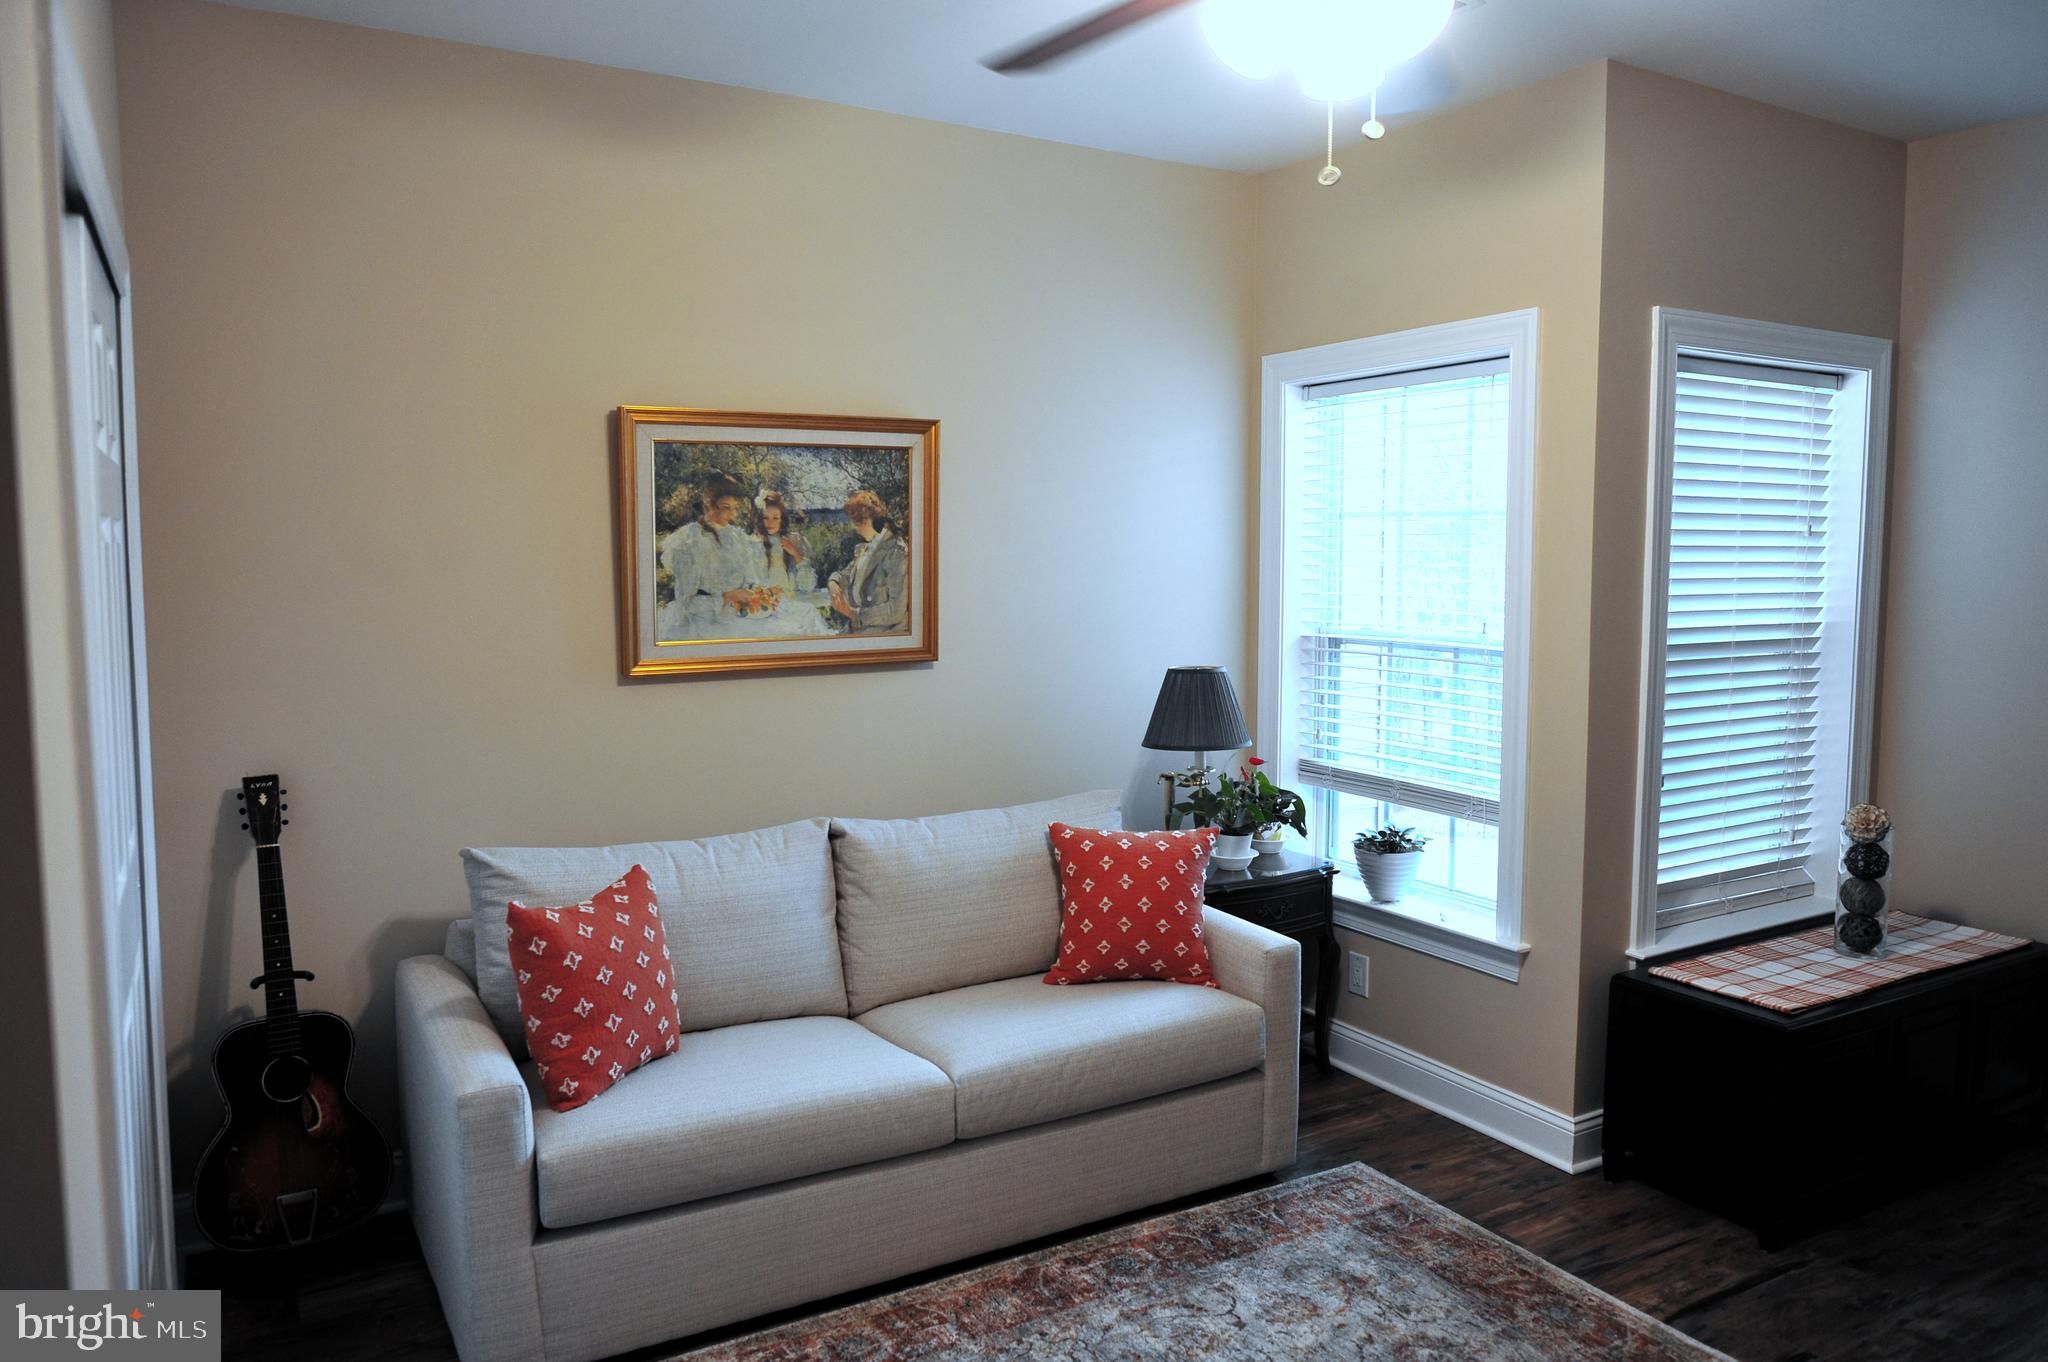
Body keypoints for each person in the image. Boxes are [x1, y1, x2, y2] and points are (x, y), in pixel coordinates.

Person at [660, 473, 757, 627]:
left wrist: (752, 592)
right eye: (726, 508)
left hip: (740, 616)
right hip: (701, 622)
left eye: (735, 508)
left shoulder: (738, 538)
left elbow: (751, 578)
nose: (733, 514)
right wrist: (727, 597)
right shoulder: (688, 541)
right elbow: (686, 603)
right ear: (708, 504)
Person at [827, 489, 909, 634]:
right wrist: (833, 582)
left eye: (858, 521)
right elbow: (844, 575)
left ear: (873, 519)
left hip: (883, 634)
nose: (854, 526)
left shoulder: (896, 551)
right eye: (854, 520)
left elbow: (896, 611)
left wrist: (853, 614)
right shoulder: (865, 548)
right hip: (858, 629)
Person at [748, 490, 809, 594]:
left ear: (782, 519)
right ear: (760, 519)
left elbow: (807, 584)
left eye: (775, 518)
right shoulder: (753, 542)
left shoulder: (793, 540)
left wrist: (794, 553)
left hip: (787, 594)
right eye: (766, 518)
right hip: (763, 597)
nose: (770, 523)